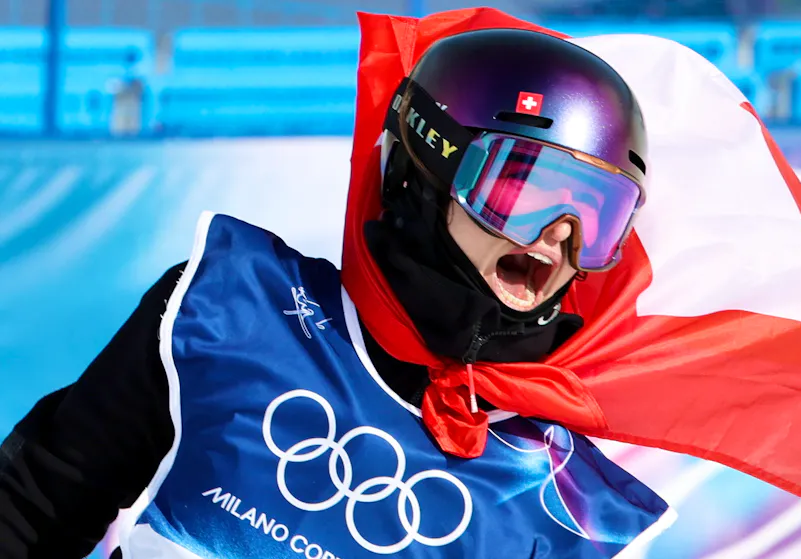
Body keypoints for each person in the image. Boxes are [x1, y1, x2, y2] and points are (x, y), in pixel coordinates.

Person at [0, 24, 673, 559]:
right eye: (523, 190)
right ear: (428, 169)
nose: (559, 237)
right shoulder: (229, 313)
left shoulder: (567, 507)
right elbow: (30, 512)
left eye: (596, 213)